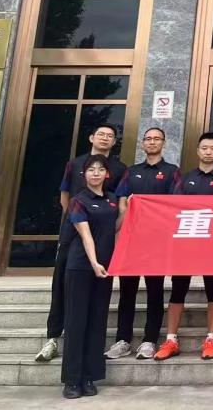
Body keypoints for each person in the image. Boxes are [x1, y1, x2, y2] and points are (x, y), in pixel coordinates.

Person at [37, 124, 126, 363]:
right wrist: (76, 220)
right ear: (91, 137)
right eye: (101, 134)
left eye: (110, 136)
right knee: (61, 283)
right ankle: (53, 337)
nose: (105, 138)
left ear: (114, 142)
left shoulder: (119, 169)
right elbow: (65, 196)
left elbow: (120, 204)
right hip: (73, 232)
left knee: (96, 289)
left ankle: (88, 344)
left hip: (102, 236)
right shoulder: (75, 164)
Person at [154, 132, 213, 362]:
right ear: (198, 151)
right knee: (178, 289)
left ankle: (211, 338)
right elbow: (173, 207)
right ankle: (171, 339)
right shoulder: (185, 178)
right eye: (204, 148)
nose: (208, 152)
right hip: (186, 243)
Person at [105, 127, 181, 361]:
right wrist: (125, 214)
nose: (152, 142)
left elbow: (174, 204)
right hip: (132, 239)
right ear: (142, 144)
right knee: (127, 291)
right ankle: (123, 340)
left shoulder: (172, 172)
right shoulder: (132, 172)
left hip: (156, 240)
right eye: (148, 139)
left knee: (155, 291)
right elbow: (122, 201)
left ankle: (149, 340)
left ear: (164, 143)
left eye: (157, 139)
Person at [60, 154, 122, 399]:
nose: (96, 173)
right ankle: (72, 380)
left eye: (100, 169)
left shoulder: (112, 199)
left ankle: (89, 376)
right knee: (76, 322)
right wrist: (95, 263)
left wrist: (126, 209)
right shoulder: (79, 200)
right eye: (91, 170)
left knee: (97, 322)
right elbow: (85, 235)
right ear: (84, 174)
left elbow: (113, 228)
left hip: (104, 269)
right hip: (81, 267)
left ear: (107, 174)